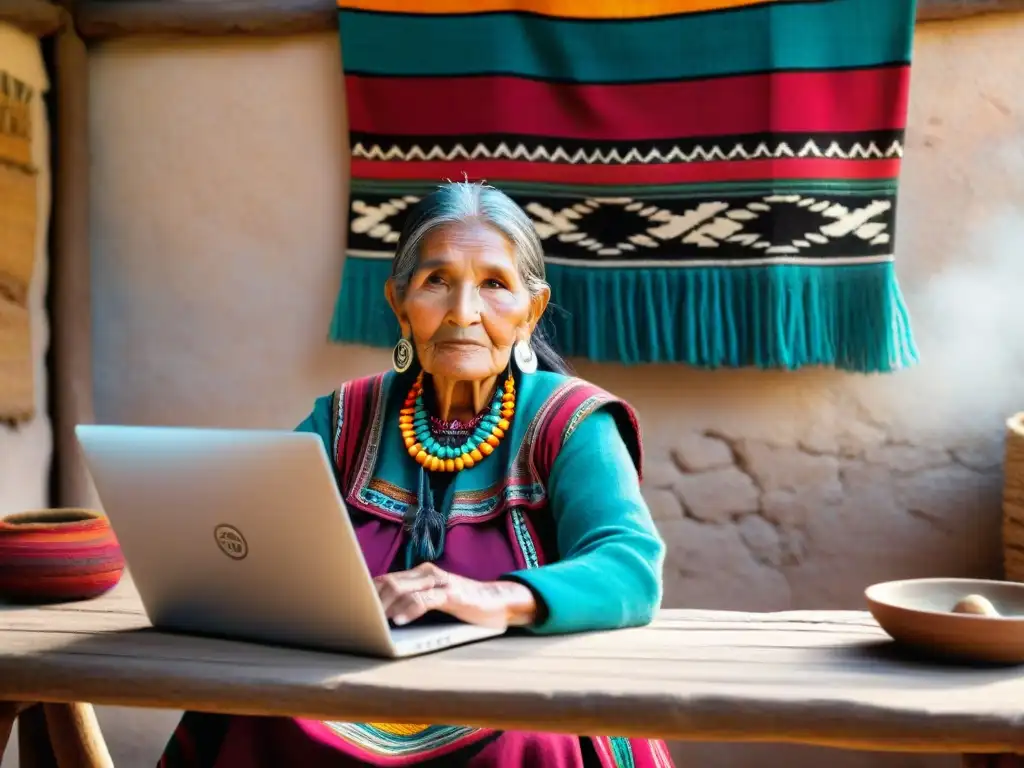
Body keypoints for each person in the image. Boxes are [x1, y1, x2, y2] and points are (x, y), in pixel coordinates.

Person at [158, 181, 673, 768]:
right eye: (436, 282)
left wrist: (493, 596)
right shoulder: (346, 417)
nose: (464, 313)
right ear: (399, 302)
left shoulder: (569, 421)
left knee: (521, 741)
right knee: (251, 712)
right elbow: (253, 540)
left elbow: (629, 566)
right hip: (347, 690)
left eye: (495, 285)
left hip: (515, 690)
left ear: (532, 311)